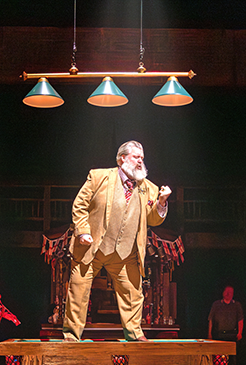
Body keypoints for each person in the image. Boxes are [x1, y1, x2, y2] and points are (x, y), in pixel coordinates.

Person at [62, 140, 172, 342]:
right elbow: (79, 205)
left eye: (142, 158)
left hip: (125, 253)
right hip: (93, 248)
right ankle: (71, 336)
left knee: (133, 294)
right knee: (78, 290)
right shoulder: (98, 177)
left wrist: (162, 203)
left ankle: (135, 335)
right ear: (122, 158)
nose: (140, 161)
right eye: (136, 157)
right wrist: (83, 231)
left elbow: (153, 219)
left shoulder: (148, 187)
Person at [208, 285, 244, 365]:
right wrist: (209, 333)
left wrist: (240, 332)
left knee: (232, 358)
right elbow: (211, 319)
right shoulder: (216, 304)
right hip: (218, 334)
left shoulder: (237, 305)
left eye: (230, 292)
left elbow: (240, 319)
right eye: (226, 292)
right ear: (223, 292)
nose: (228, 294)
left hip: (231, 334)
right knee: (217, 357)